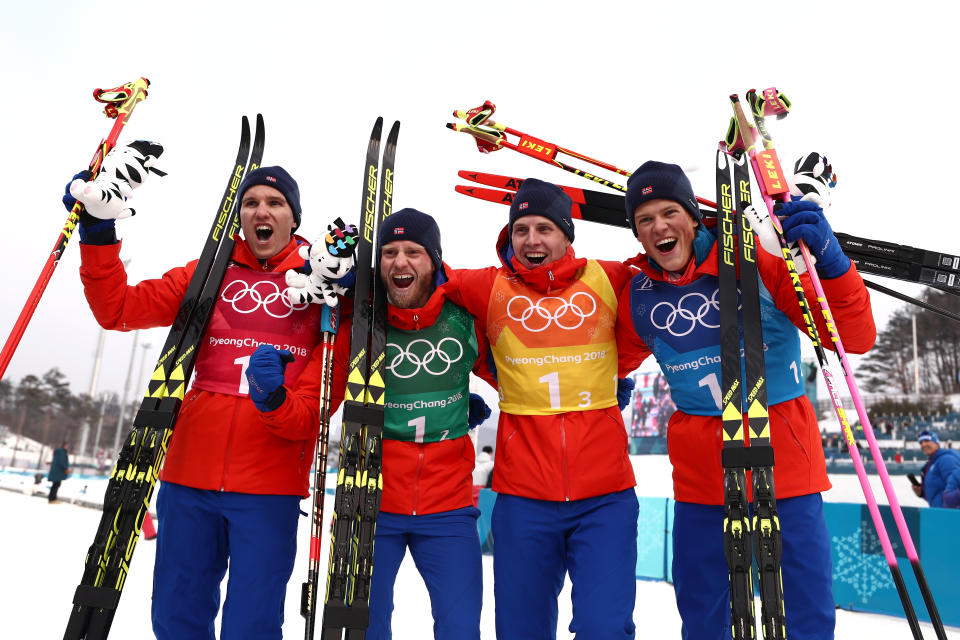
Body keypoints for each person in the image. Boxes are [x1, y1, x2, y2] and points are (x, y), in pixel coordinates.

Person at [67, 142, 342, 640]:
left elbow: (312, 411)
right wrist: (98, 230)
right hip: (188, 474)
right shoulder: (207, 273)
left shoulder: (323, 288)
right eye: (251, 202)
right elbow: (118, 309)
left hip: (270, 483)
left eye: (275, 203)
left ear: (294, 218)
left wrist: (271, 397)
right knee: (177, 615)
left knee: (252, 624)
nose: (262, 210)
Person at [614, 160, 877, 640]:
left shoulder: (759, 261)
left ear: (694, 218)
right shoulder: (638, 295)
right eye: (644, 220)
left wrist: (833, 264)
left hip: (785, 457)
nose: (658, 227)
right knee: (703, 607)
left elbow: (853, 337)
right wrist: (602, 382)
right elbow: (608, 355)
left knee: (806, 604)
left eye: (669, 212)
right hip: (702, 473)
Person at [444, 179, 639, 639]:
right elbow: (426, 285)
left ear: (567, 236)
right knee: (521, 630)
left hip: (604, 496)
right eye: (521, 229)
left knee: (604, 628)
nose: (532, 240)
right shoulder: (487, 286)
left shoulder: (608, 277)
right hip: (523, 496)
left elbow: (669, 277)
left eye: (545, 228)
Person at [291, 208, 492, 639]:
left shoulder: (464, 317)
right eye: (389, 252)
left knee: (460, 628)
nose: (400, 262)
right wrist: (272, 398)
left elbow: (518, 371)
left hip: (449, 507)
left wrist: (603, 379)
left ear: (434, 261)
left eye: (413, 252)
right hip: (370, 502)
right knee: (364, 628)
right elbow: (312, 409)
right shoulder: (359, 325)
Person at [913, 430, 960, 508]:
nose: (923, 444)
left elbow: (955, 488)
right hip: (939, 513)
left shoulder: (946, 459)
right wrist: (922, 493)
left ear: (936, 442)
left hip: (948, 515)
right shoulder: (933, 463)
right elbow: (936, 493)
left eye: (926, 440)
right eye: (921, 443)